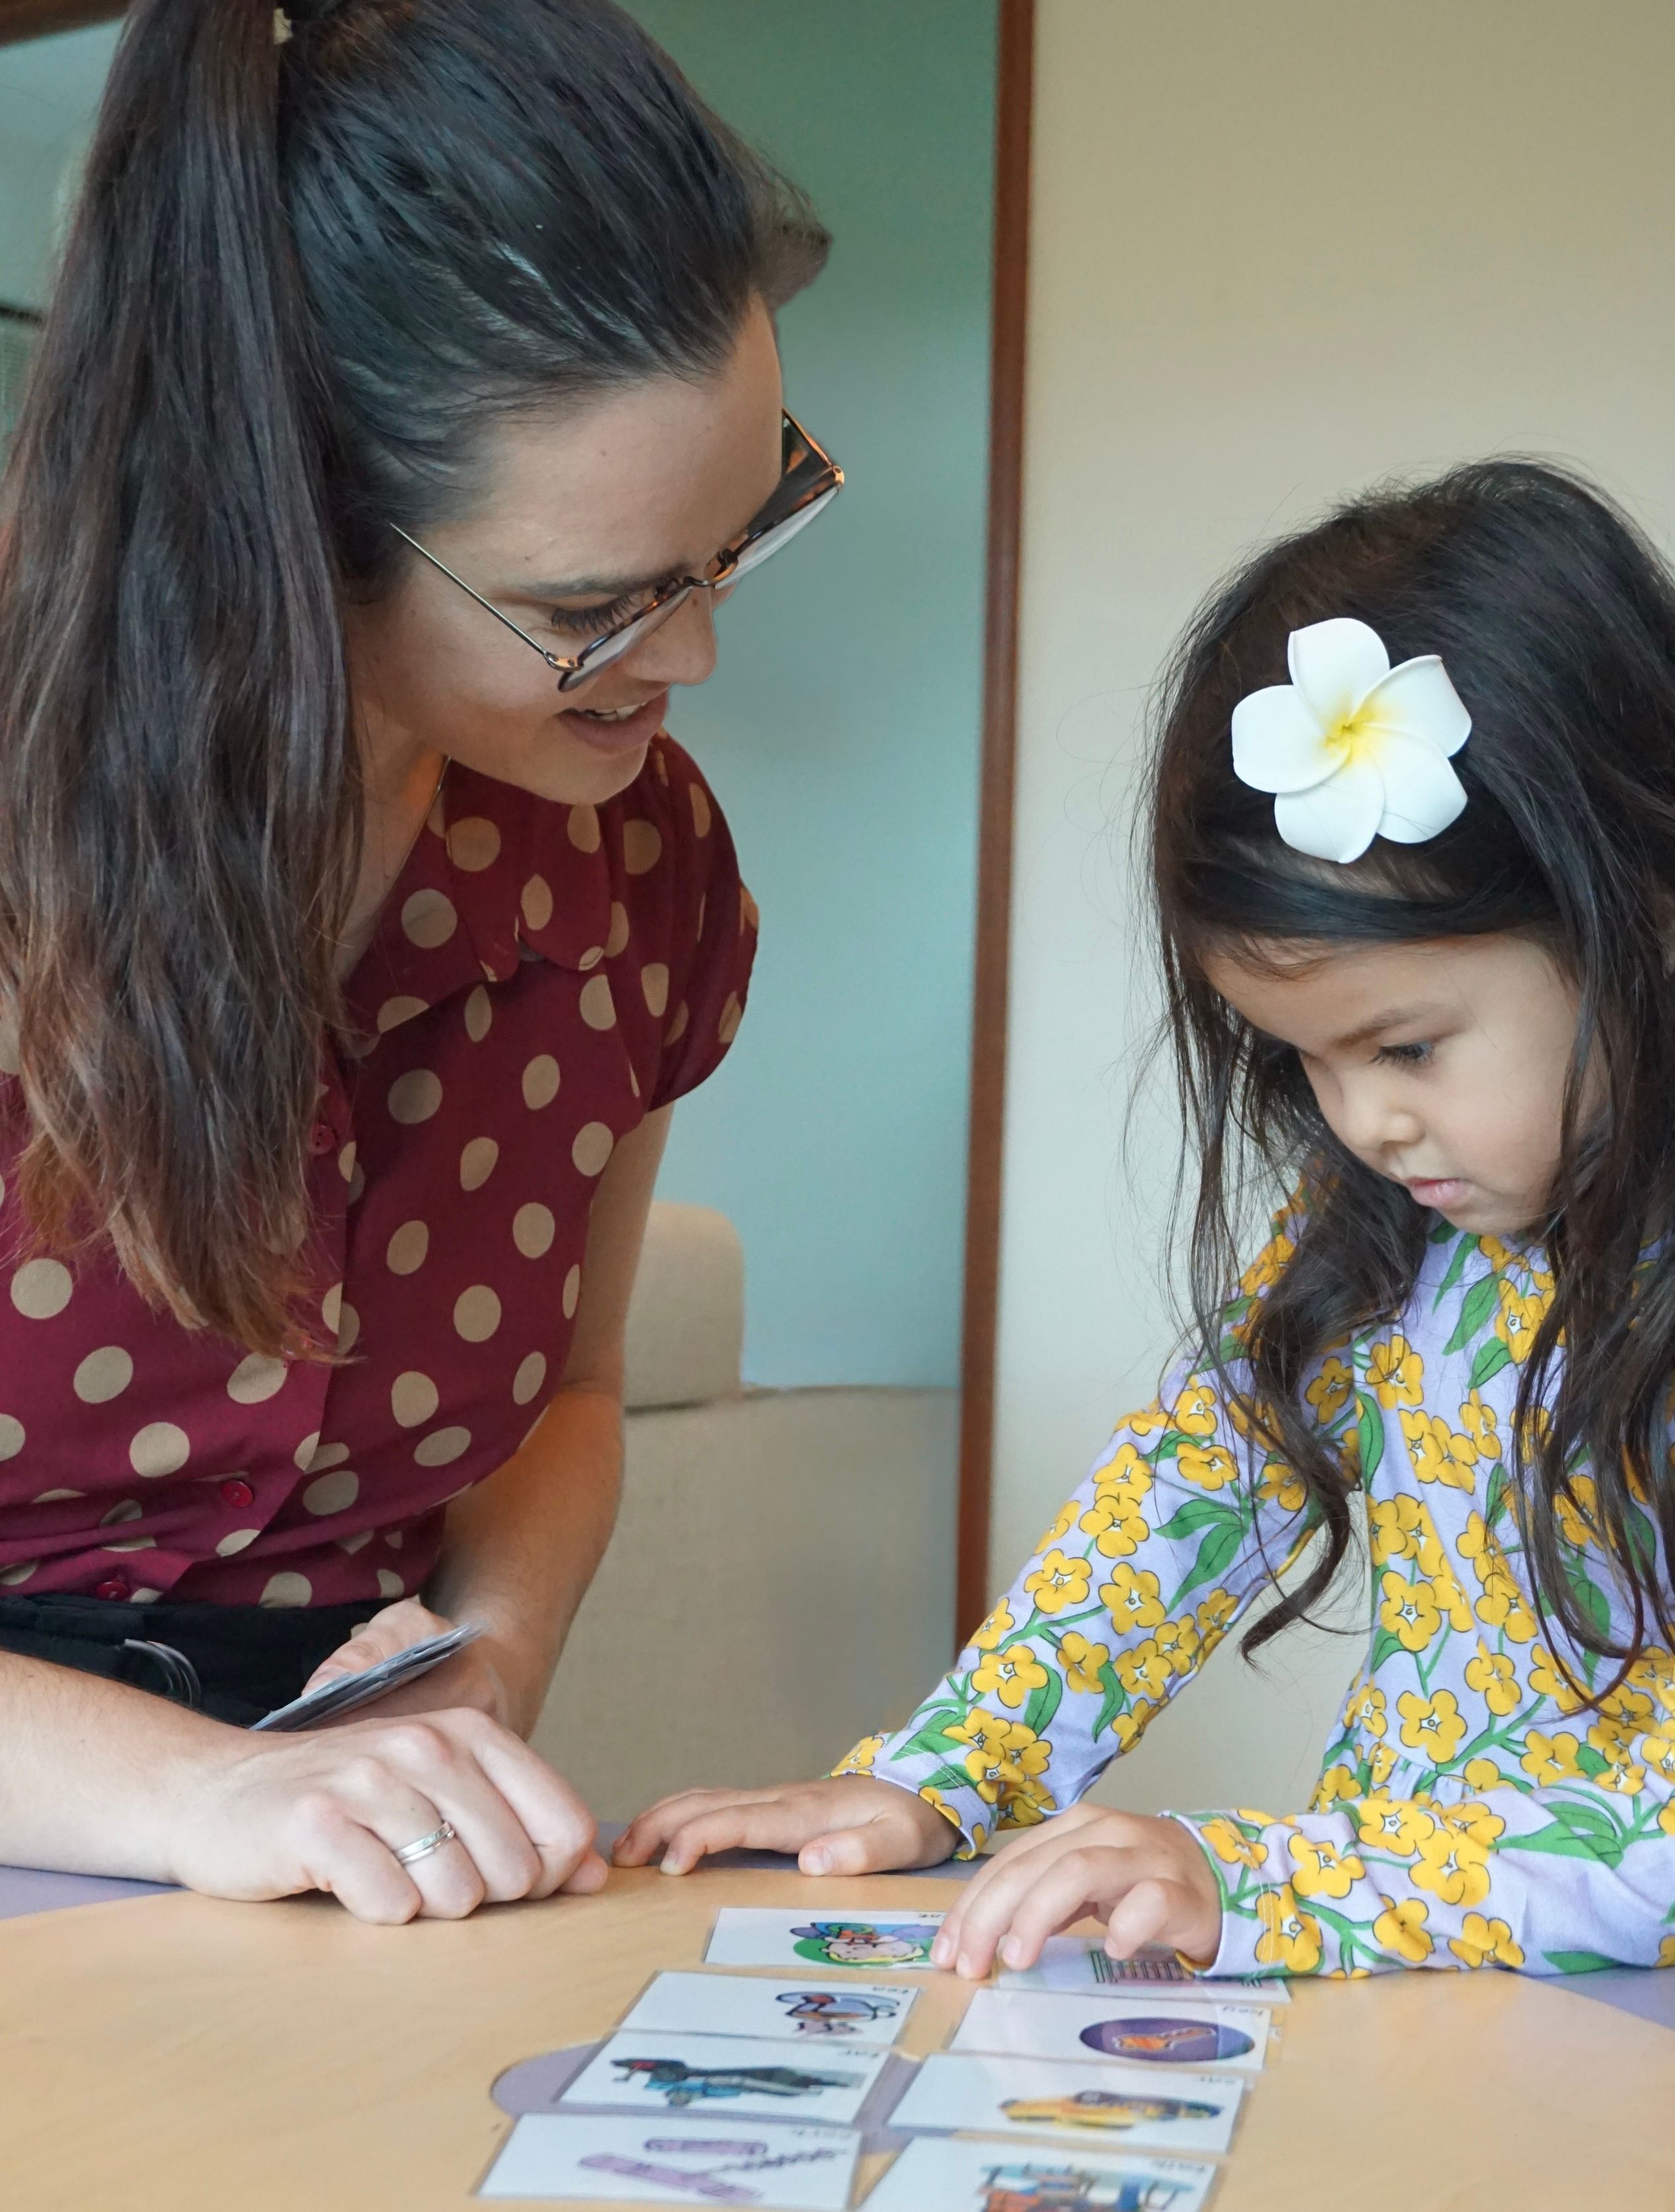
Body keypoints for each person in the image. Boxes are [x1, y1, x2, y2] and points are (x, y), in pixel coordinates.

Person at [0, 0, 837, 1922]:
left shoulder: (634, 860)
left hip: (322, 1829)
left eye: (734, 540)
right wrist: (196, 1798)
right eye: (590, 604)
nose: (691, 660)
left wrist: (488, 1663)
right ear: (278, 514)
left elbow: (570, 1393)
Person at [618, 461, 1675, 1980]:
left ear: (1633, 906)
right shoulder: (1395, 1224)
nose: (1359, 1121)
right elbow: (1187, 1496)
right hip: (1421, 2009)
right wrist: (943, 1770)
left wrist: (1257, 1875)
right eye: (1303, 1057)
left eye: (1407, 1045)